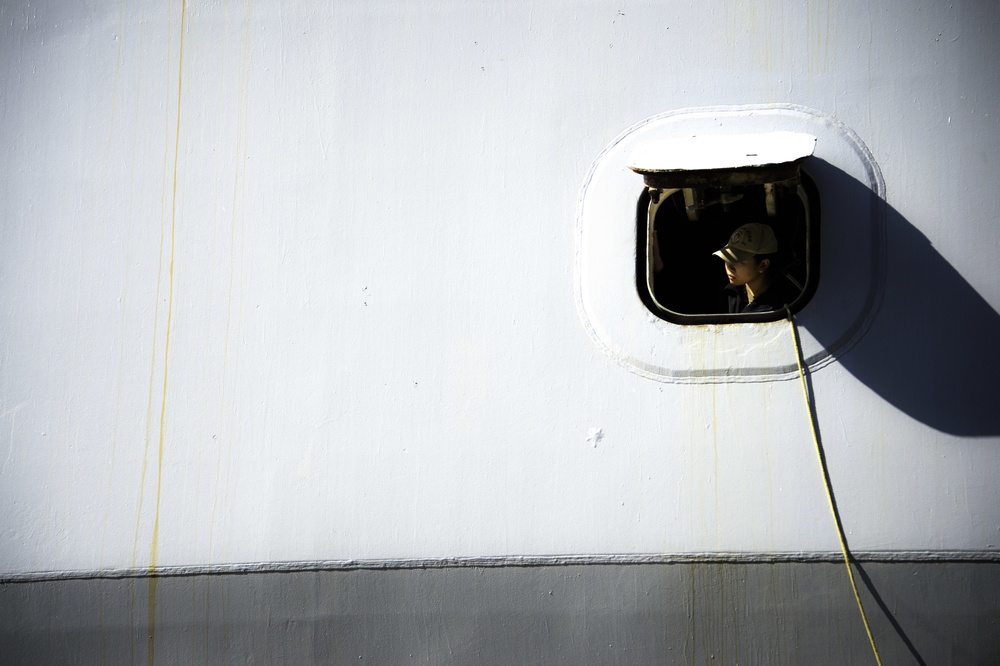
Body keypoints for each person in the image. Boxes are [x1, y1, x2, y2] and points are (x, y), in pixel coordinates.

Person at [712, 223, 799, 313]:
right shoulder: (729, 294)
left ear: (763, 265)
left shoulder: (785, 304)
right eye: (726, 258)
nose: (729, 267)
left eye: (738, 261)